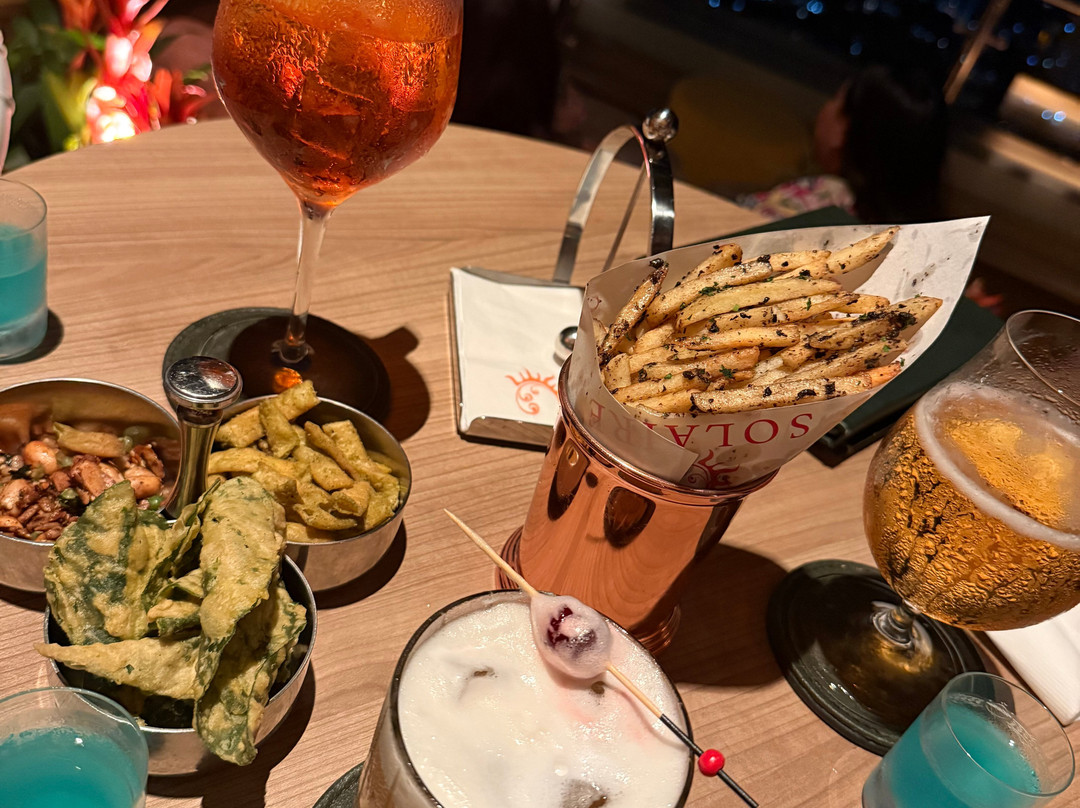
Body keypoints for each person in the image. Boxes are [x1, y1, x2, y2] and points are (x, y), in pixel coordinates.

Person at [740, 63, 949, 224]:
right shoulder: (921, 235)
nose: (825, 108)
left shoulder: (818, 199)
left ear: (843, 130)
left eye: (835, 100)